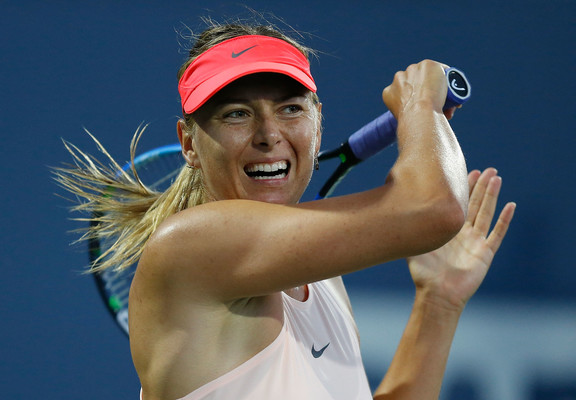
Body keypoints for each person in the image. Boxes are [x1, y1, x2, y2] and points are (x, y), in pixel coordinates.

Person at [56, 21, 515, 400]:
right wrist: (419, 105)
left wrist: (438, 301)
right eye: (236, 113)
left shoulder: (322, 278)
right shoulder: (193, 243)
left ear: (318, 125)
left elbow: (431, 211)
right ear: (188, 143)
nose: (268, 133)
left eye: (291, 109)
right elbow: (434, 208)